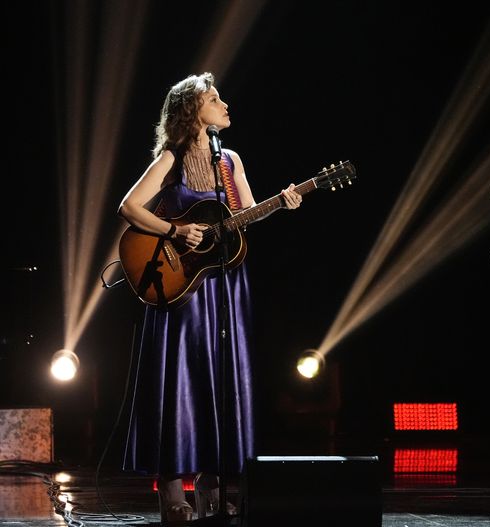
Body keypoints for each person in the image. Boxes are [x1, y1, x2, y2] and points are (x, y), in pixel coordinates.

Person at [118, 72, 302, 523]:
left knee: (221, 380)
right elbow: (129, 206)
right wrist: (175, 230)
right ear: (191, 109)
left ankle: (215, 485)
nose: (224, 104)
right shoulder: (172, 158)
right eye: (214, 99)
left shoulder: (230, 160)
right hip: (182, 286)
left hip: (225, 282)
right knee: (182, 380)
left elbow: (245, 215)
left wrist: (284, 200)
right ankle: (173, 490)